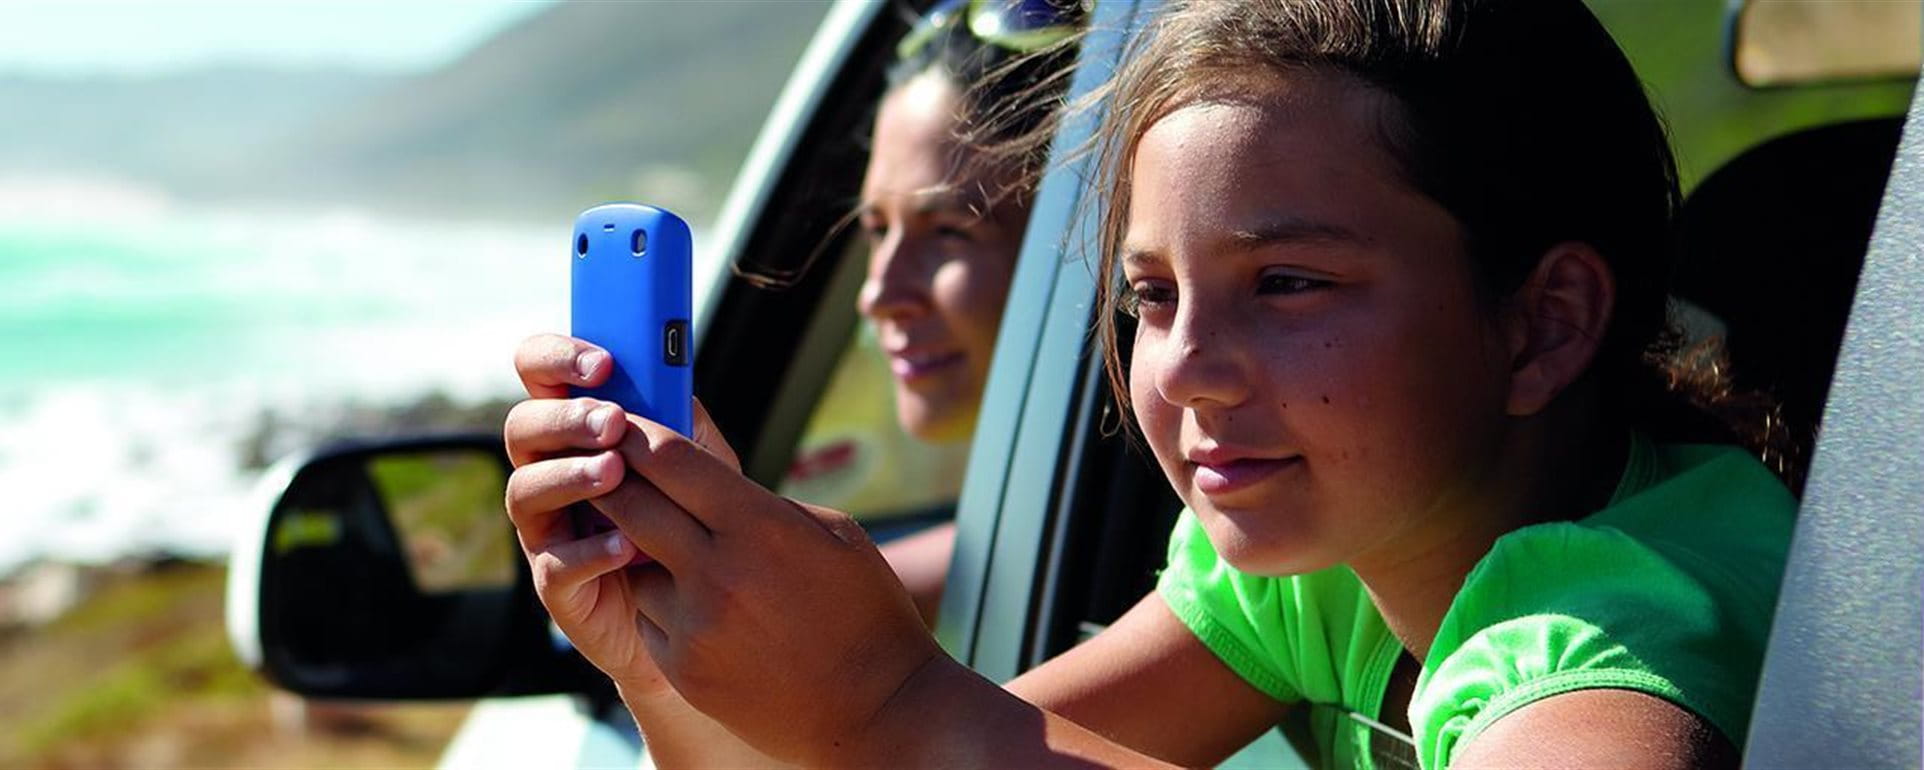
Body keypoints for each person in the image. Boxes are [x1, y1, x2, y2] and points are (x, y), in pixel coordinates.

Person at [501, 0, 1795, 767]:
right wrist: (672, 654)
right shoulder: (1326, 569)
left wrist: (893, 692)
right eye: (1151, 296)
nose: (1183, 369)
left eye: (1286, 282)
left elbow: (925, 739)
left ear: (1542, 326)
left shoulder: (1628, 620)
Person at [782, 0, 1081, 624]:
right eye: (876, 229)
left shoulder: (1205, 554)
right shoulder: (1056, 530)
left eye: (948, 231)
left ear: (1091, 241)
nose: (878, 294)